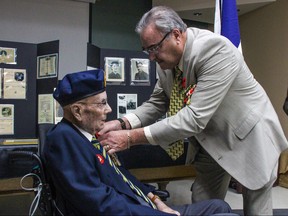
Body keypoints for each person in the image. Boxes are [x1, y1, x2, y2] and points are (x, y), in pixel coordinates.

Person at [98, 6, 288, 216]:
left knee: (256, 209)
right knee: (203, 203)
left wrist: (130, 138)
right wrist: (122, 123)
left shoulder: (215, 50)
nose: (151, 58)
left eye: (153, 48)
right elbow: (156, 103)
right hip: (212, 141)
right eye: (147, 50)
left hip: (249, 138)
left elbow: (193, 118)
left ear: (176, 35)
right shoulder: (166, 62)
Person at [43, 69, 237, 216]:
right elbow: (99, 203)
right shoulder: (63, 140)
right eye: (102, 103)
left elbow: (121, 177)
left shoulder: (86, 137)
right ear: (77, 112)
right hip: (134, 212)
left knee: (220, 206)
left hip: (143, 205)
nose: (109, 109)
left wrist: (154, 199)